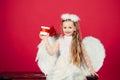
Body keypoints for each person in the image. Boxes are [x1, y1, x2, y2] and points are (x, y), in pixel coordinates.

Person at [39, 13, 98, 80]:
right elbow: (51, 52)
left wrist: (91, 70)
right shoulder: (60, 40)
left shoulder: (78, 42)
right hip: (61, 66)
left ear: (75, 28)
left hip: (74, 66)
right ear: (62, 28)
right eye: (65, 27)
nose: (67, 30)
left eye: (70, 27)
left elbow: (85, 56)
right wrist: (45, 40)